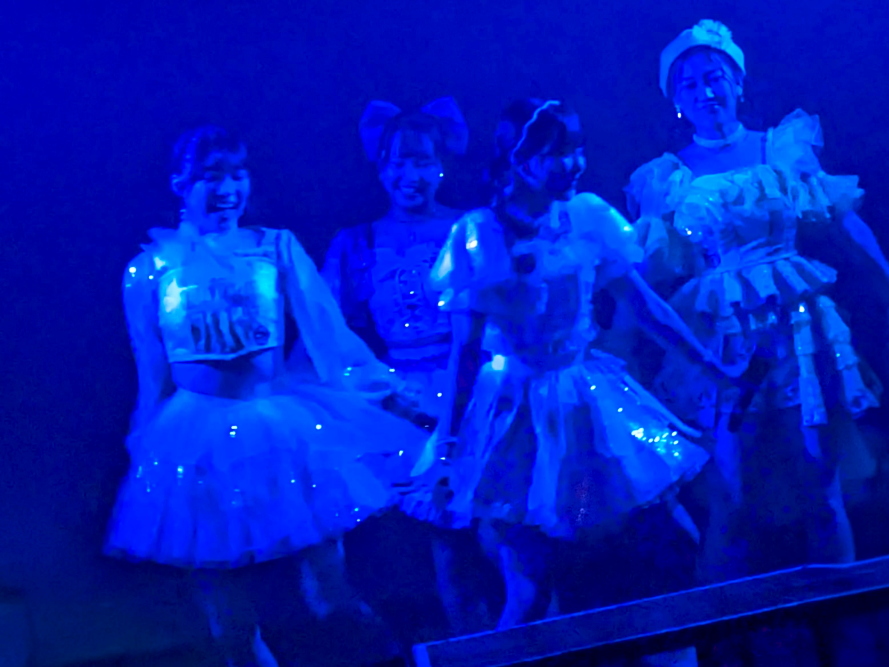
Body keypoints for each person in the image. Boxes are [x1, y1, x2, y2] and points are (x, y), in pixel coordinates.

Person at [404, 99, 736, 641]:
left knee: (670, 535)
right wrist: (449, 447)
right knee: (533, 583)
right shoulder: (481, 233)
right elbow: (464, 353)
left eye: (578, 149)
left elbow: (646, 306)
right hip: (516, 413)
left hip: (588, 396)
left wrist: (713, 367)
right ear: (521, 159)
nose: (575, 163)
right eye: (559, 152)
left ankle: (672, 649)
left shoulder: (586, 216)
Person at [105, 126, 426, 667]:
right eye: (212, 175)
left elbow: (329, 336)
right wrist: (145, 452)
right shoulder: (150, 270)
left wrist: (389, 395)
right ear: (180, 182)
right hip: (195, 439)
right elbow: (152, 374)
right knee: (229, 621)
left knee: (330, 593)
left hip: (278, 426)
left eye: (238, 174)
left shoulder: (273, 247)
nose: (228, 188)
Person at [625, 20, 889, 665]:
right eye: (690, 83)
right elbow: (644, 276)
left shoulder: (782, 148)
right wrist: (618, 344)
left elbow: (846, 223)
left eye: (715, 76)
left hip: (799, 332)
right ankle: (726, 648)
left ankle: (849, 642)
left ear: (738, 82)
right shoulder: (667, 177)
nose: (706, 91)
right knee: (732, 503)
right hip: (723, 345)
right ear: (674, 99)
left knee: (822, 492)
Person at [323, 98, 495, 638]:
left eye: (422, 161)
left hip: (479, 393)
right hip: (400, 405)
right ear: (379, 167)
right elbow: (330, 334)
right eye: (398, 163)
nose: (410, 176)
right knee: (434, 547)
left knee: (503, 538)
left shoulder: (471, 228)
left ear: (442, 164)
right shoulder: (356, 244)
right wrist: (382, 394)